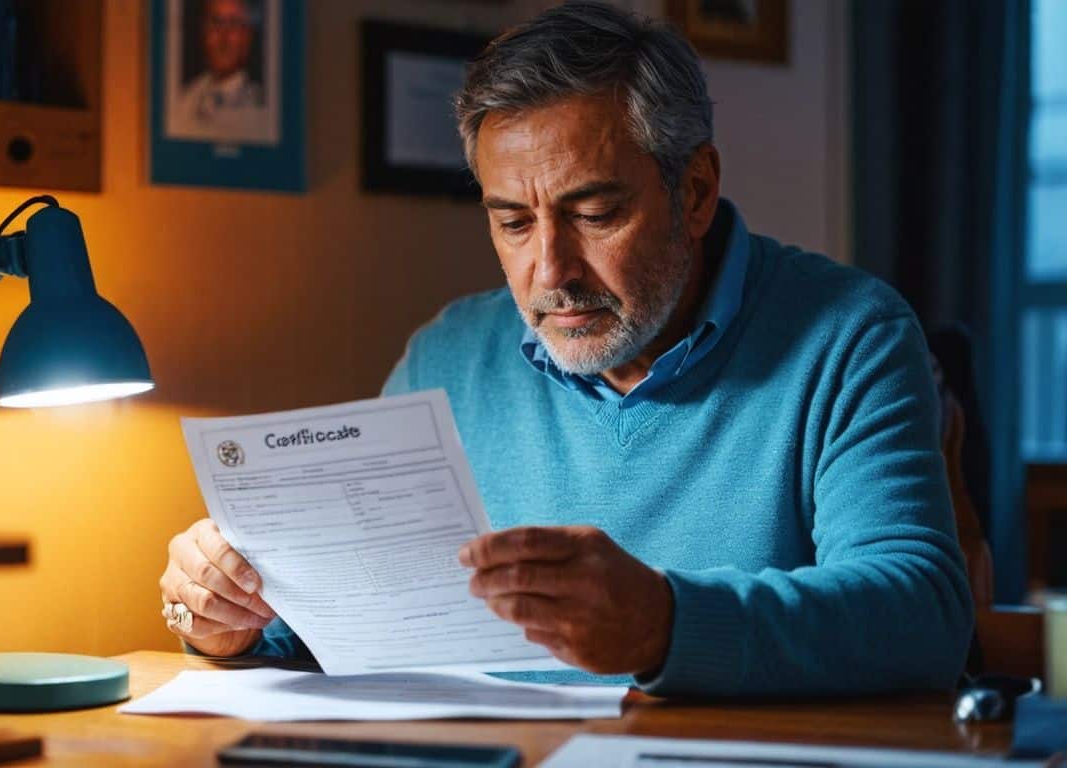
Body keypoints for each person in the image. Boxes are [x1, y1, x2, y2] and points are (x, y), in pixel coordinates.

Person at [159, 1, 975, 695]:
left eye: (594, 213)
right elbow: (360, 625)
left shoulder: (850, 335)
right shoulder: (448, 355)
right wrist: (237, 620)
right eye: (512, 221)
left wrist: (667, 625)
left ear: (693, 191)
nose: (549, 269)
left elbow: (921, 612)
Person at [166, 0, 270, 143]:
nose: (224, 37)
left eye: (233, 23)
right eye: (216, 23)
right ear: (204, 33)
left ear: (247, 36)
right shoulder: (186, 99)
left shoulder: (260, 100)